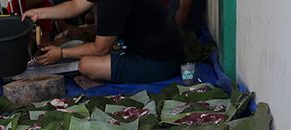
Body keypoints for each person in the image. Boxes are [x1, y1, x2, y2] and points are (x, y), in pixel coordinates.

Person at [25, 0, 183, 84]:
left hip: (159, 63)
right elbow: (75, 4)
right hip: (156, 48)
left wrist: (60, 53)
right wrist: (39, 13)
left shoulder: (113, 4)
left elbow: (100, 49)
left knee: (87, 64)